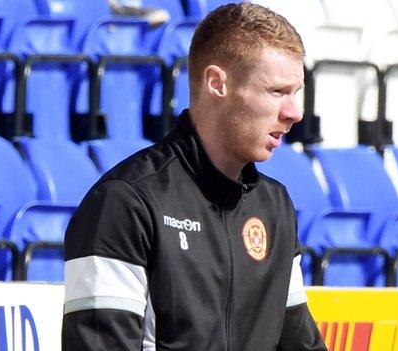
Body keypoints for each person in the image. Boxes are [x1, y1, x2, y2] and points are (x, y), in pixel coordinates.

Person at [63, 3, 327, 350]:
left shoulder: (275, 207)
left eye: (296, 93)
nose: (294, 112)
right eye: (276, 91)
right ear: (217, 83)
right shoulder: (125, 202)